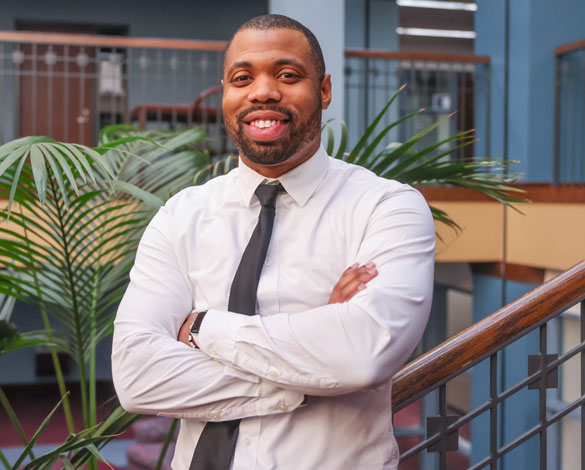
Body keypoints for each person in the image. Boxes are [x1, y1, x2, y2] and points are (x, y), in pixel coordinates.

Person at [112, 14, 435, 470]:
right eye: (243, 78)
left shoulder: (387, 208)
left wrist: (203, 330)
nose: (262, 92)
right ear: (226, 91)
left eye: (287, 75)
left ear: (323, 91)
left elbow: (363, 356)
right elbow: (137, 378)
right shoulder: (181, 216)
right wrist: (315, 367)